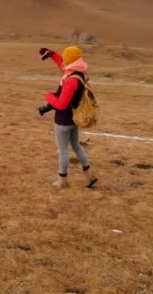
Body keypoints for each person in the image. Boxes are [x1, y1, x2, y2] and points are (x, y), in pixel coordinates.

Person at [37, 46, 98, 189]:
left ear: (70, 60)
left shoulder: (70, 81)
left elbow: (61, 104)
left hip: (63, 121)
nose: (63, 60)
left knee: (63, 151)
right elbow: (62, 64)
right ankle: (89, 176)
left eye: (65, 58)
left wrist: (49, 96)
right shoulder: (78, 73)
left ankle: (62, 180)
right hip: (74, 119)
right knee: (76, 146)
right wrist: (52, 54)